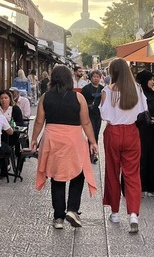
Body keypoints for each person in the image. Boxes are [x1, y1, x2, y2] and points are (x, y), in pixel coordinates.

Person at [31, 65, 98, 230]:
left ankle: (58, 217)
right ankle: (73, 210)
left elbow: (39, 121)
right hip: (73, 139)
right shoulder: (78, 97)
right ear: (69, 79)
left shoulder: (45, 97)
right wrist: (93, 141)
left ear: (53, 79)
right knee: (79, 174)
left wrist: (33, 139)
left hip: (52, 139)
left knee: (56, 176)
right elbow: (86, 122)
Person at [99, 58, 145, 234]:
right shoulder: (138, 89)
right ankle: (133, 214)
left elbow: (104, 115)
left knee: (112, 171)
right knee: (132, 174)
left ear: (112, 73)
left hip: (113, 133)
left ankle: (115, 212)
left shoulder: (107, 91)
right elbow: (142, 111)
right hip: (132, 132)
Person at [135, 70, 154, 199]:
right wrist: (146, 119)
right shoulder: (137, 94)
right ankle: (139, 187)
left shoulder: (153, 93)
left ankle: (153, 187)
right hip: (141, 131)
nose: (153, 82)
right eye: (150, 79)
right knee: (142, 158)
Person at [81, 69, 104, 163]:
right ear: (91, 78)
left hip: (98, 114)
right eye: (94, 77)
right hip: (88, 114)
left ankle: (94, 152)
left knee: (96, 134)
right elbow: (82, 101)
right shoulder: (86, 89)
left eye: (97, 77)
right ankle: (90, 153)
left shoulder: (102, 89)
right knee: (91, 133)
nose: (96, 79)